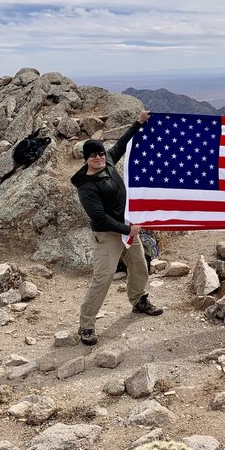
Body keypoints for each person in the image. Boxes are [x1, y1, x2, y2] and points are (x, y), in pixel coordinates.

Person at [71, 110, 163, 346]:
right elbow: (99, 219)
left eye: (100, 153)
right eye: (93, 155)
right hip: (109, 235)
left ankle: (139, 300)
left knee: (139, 266)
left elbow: (122, 144)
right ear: (86, 159)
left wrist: (138, 123)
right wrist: (127, 230)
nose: (99, 158)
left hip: (126, 228)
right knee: (103, 278)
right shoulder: (87, 188)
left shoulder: (108, 161)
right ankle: (87, 326)